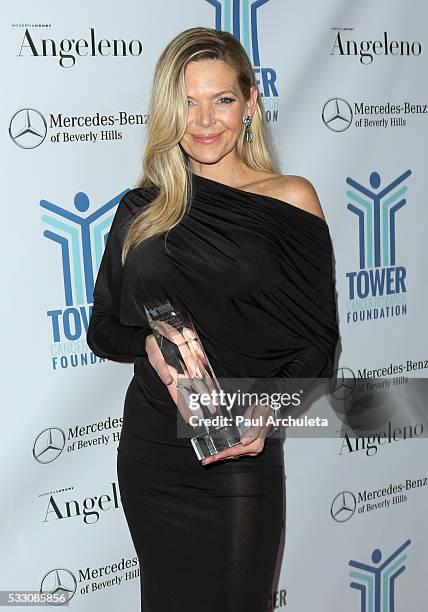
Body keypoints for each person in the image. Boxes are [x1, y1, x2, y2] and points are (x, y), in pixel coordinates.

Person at [86, 26, 339, 612]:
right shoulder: (141, 208)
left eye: (222, 99)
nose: (204, 119)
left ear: (250, 102)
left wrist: (265, 411)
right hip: (151, 450)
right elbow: (102, 328)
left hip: (239, 458)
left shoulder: (290, 199)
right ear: (167, 112)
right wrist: (148, 343)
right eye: (188, 102)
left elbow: (318, 348)